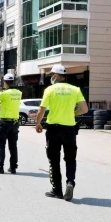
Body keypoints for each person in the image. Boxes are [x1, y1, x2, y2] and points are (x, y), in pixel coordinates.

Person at [35, 64, 88, 201]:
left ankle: (57, 190)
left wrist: (38, 123)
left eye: (53, 74)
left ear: (57, 76)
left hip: (53, 129)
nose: (51, 77)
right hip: (69, 129)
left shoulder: (50, 90)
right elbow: (84, 109)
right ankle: (70, 182)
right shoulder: (75, 90)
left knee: (54, 160)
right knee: (70, 159)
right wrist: (72, 113)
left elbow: (41, 110)